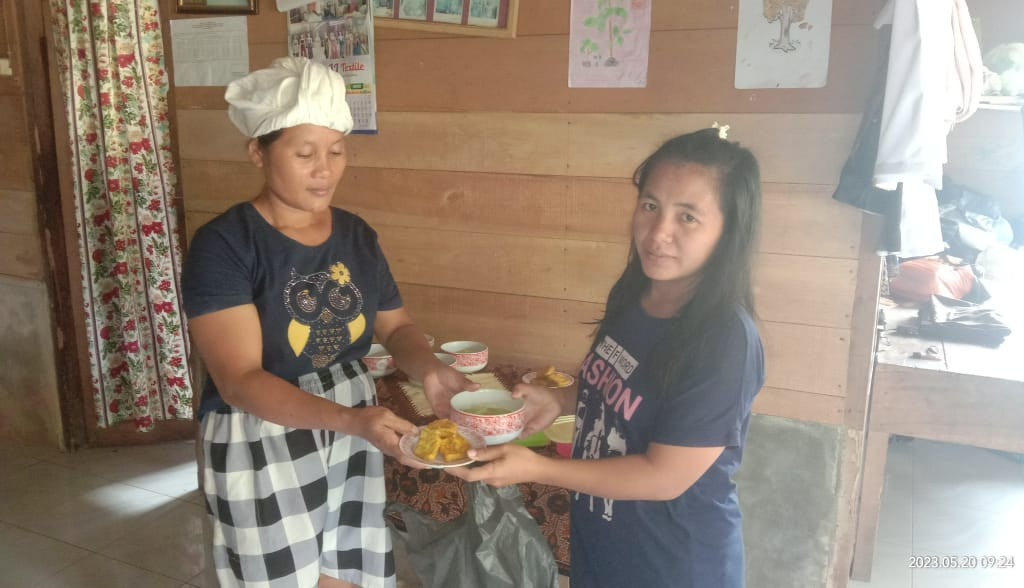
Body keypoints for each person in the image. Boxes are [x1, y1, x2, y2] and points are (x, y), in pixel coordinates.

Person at [181, 57, 476, 588]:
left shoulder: (356, 235)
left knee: (348, 569)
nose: (325, 169)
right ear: (258, 152)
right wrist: (350, 420)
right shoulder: (226, 245)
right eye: (304, 153)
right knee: (278, 576)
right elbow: (240, 381)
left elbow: (397, 328)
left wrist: (429, 370)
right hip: (261, 430)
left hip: (351, 416)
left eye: (337, 151)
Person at [450, 127, 766, 588]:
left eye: (688, 217)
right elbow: (627, 388)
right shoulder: (639, 295)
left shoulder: (724, 339)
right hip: (607, 547)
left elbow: (665, 477)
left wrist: (539, 468)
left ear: (728, 230)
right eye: (650, 206)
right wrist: (560, 399)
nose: (659, 232)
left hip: (675, 564)